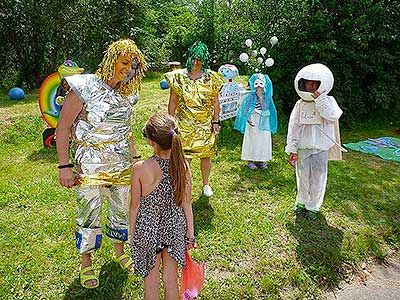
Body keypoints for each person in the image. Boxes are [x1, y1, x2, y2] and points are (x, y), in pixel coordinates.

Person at [56, 39, 147, 288]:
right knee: (89, 213)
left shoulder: (128, 94)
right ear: (111, 60)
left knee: (121, 210)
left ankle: (120, 253)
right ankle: (87, 263)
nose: (128, 69)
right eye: (124, 62)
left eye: (133, 65)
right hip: (90, 166)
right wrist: (64, 166)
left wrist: (136, 158)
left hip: (121, 165)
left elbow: (126, 130)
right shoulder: (85, 87)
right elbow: (62, 128)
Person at [130, 113, 195, 300]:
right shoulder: (182, 165)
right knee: (171, 279)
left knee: (150, 281)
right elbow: (186, 203)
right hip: (175, 227)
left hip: (147, 227)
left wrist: (132, 235)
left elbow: (134, 206)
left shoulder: (140, 168)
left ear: (151, 142)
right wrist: (190, 233)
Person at [165, 41, 224, 197]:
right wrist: (170, 122)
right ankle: (184, 185)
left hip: (205, 123)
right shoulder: (178, 77)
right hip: (184, 123)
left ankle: (206, 184)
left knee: (206, 155)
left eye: (199, 59)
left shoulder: (212, 78)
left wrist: (216, 120)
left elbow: (215, 101)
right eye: (193, 58)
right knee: (185, 156)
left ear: (204, 59)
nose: (195, 62)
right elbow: (173, 101)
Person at [285, 63, 343, 220]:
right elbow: (294, 126)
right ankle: (301, 202)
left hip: (320, 148)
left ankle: (313, 206)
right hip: (303, 147)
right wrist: (292, 147)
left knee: (318, 177)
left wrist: (321, 101)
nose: (310, 86)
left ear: (321, 83)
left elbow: (333, 116)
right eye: (307, 83)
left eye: (314, 83)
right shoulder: (300, 104)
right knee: (302, 177)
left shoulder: (329, 101)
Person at [234, 73, 278, 169]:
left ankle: (261, 159)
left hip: (263, 120)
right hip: (253, 119)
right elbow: (245, 109)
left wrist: (260, 96)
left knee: (263, 139)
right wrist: (248, 118)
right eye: (256, 84)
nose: (258, 86)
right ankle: (250, 160)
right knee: (252, 138)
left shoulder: (267, 96)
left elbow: (265, 107)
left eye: (260, 84)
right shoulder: (250, 96)